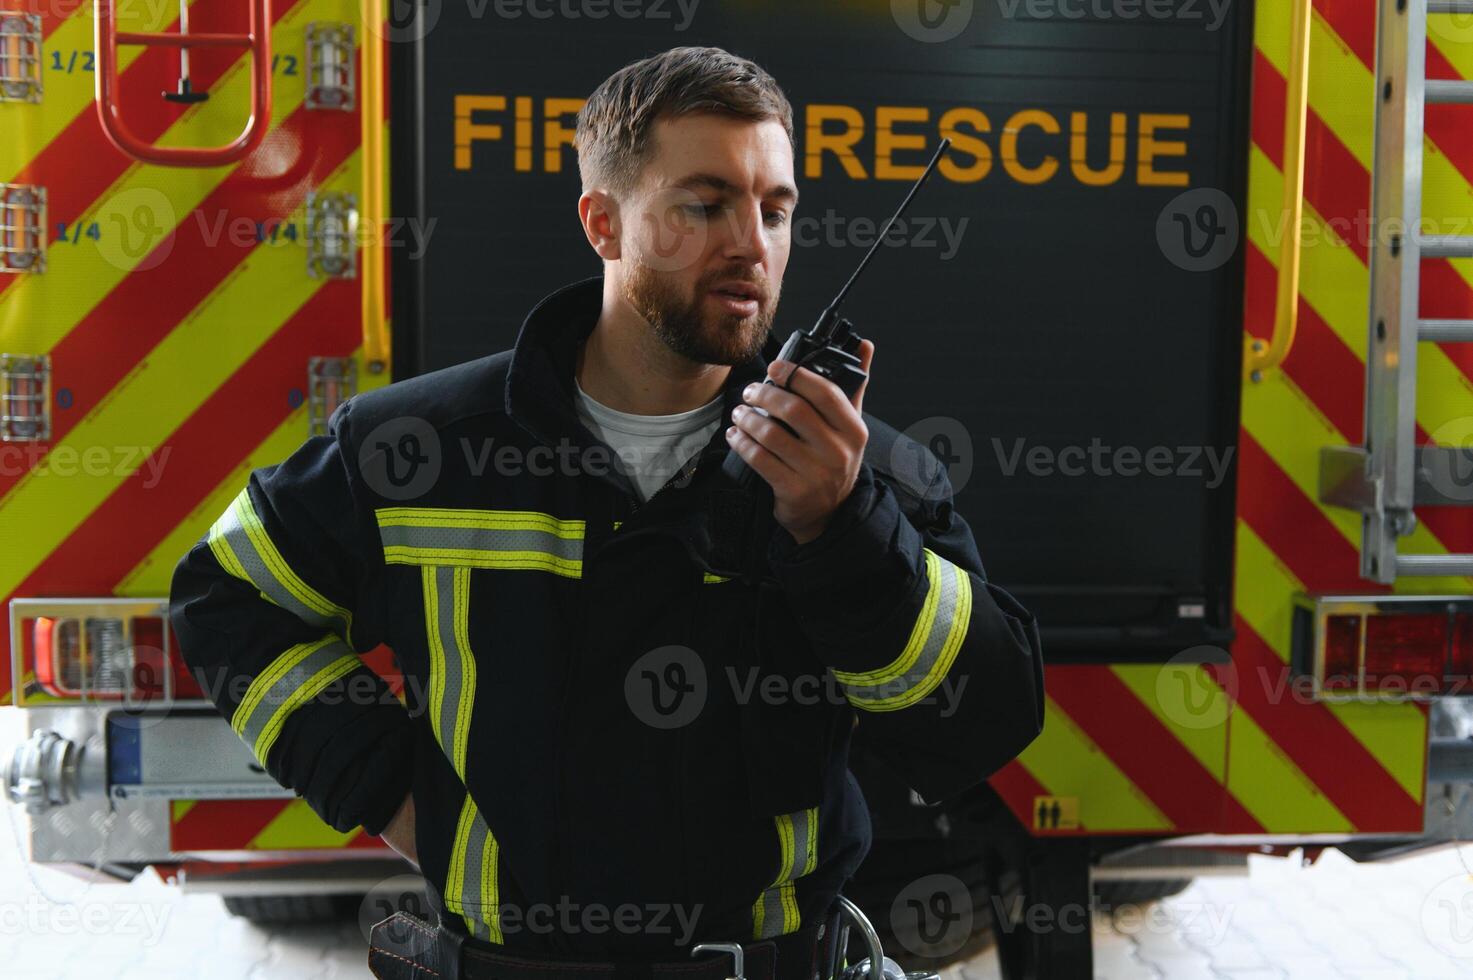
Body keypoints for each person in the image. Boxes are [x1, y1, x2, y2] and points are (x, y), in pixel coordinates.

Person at [168, 45, 1043, 980]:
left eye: (775, 209)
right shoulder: (420, 451)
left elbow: (980, 724)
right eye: (704, 205)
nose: (751, 241)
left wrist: (841, 532)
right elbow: (227, 597)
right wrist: (384, 788)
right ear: (603, 223)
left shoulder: (858, 477)